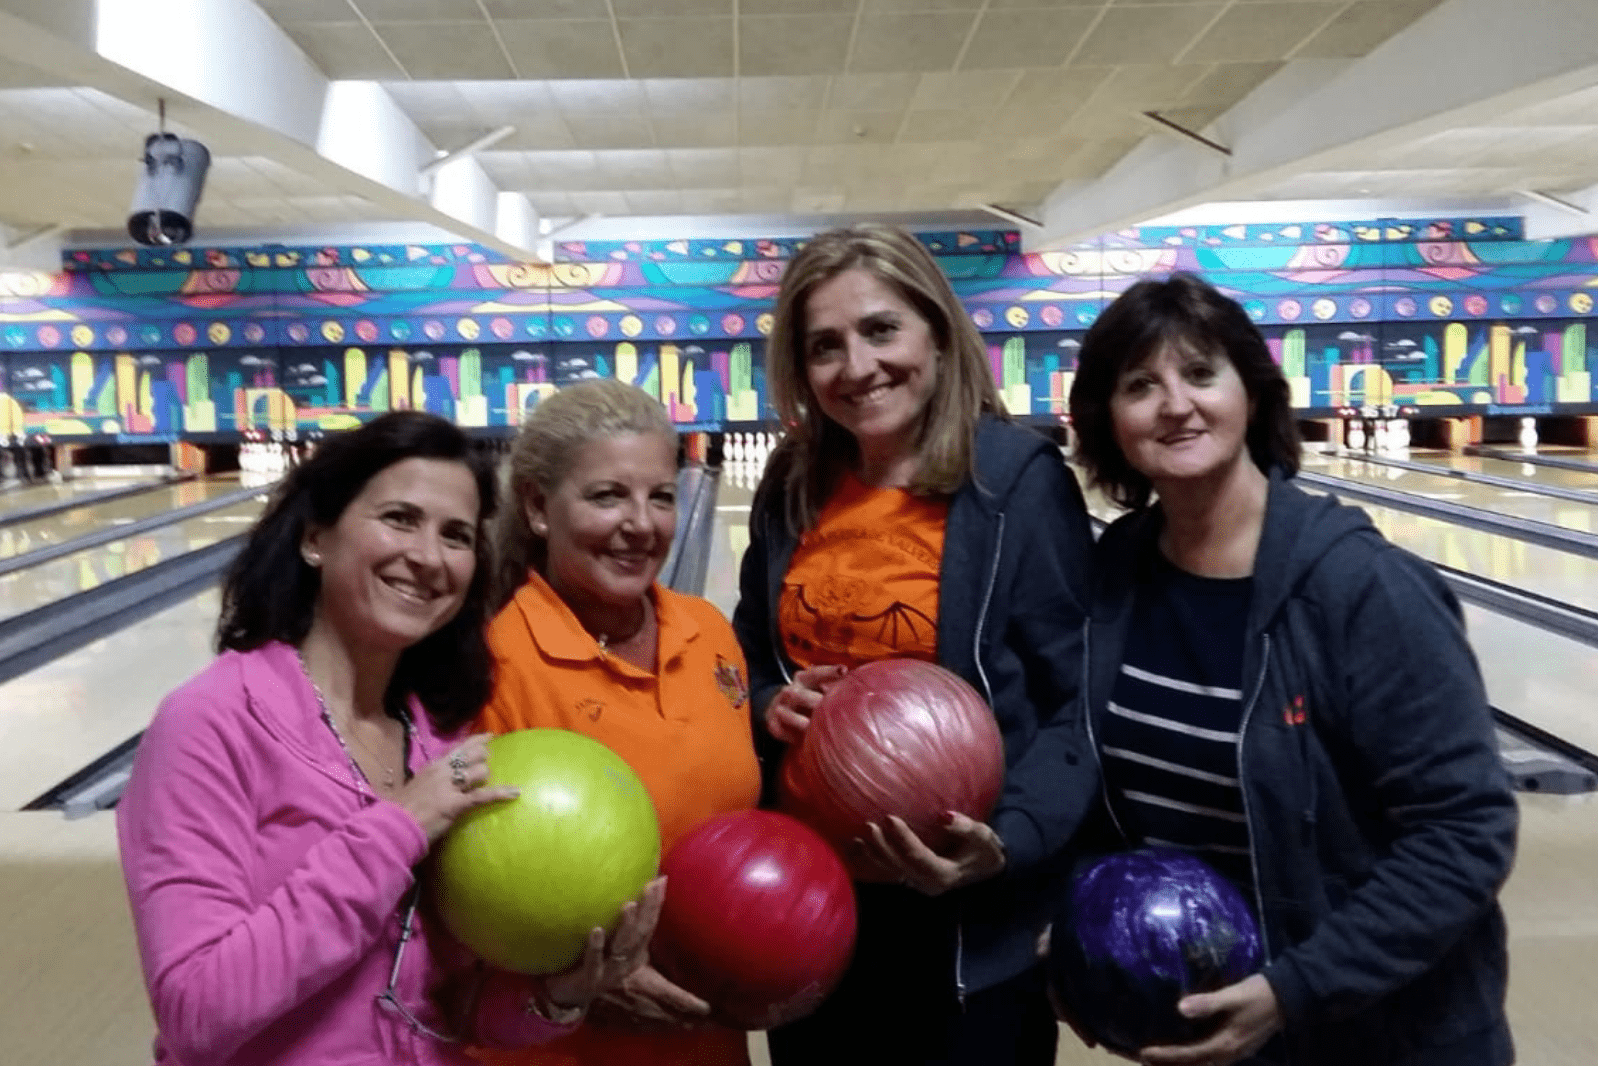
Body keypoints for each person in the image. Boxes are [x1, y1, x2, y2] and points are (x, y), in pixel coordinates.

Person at [1063, 272, 1517, 1066]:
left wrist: (1295, 989)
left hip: (1383, 1035)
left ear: (1250, 392)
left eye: (1201, 373)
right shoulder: (1116, 573)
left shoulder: (1362, 589)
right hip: (1219, 1026)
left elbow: (1465, 831)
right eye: (1140, 385)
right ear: (1108, 419)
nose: (1175, 403)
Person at [116, 411, 662, 1066]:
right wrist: (394, 830)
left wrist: (560, 994)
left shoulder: (436, 744)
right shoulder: (211, 725)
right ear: (316, 535)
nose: (429, 557)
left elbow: (442, 1007)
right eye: (400, 518)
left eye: (456, 535)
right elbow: (196, 1011)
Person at [732, 223, 1098, 1064]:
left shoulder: (1014, 484)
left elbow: (1071, 701)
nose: (856, 366)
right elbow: (746, 653)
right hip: (816, 909)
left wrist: (1006, 842)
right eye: (824, 346)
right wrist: (764, 703)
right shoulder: (792, 485)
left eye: (880, 329)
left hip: (965, 920)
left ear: (935, 331)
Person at [475, 379, 762, 1066]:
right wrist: (585, 984)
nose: (642, 523)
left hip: (707, 1041)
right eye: (607, 495)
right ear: (539, 507)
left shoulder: (709, 633)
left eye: (661, 495)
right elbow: (456, 921)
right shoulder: (490, 668)